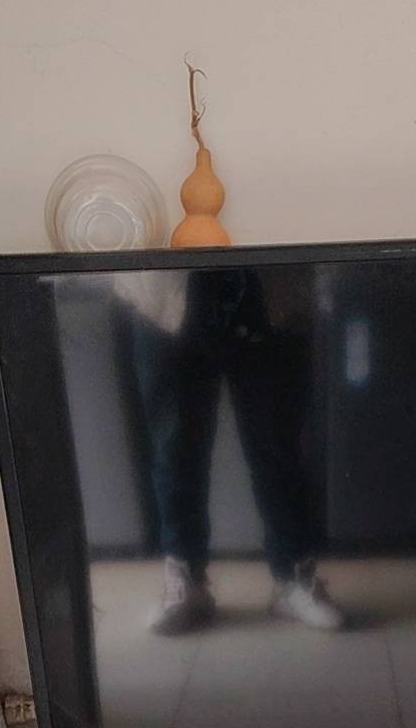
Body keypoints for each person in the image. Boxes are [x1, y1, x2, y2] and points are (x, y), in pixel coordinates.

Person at [125, 267, 344, 635]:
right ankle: (186, 579)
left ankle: (294, 577)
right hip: (165, 285)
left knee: (279, 445)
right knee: (174, 447)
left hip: (270, 282)